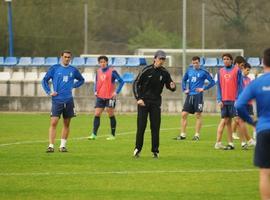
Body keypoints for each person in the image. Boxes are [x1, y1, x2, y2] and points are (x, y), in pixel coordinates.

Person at [236, 48, 270, 200]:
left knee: (264, 172)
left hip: (263, 129)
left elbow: (239, 104)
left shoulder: (257, 83)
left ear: (263, 62)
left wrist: (252, 122)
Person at [133, 50, 176, 158]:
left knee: (155, 127)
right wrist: (138, 98)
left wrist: (173, 86)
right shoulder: (146, 70)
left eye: (163, 59)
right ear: (155, 59)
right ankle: (137, 149)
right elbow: (136, 83)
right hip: (143, 102)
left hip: (156, 103)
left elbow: (170, 85)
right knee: (141, 127)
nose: (161, 61)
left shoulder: (165, 72)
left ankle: (155, 151)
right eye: (160, 58)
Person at [42, 50, 85, 153]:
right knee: (54, 122)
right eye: (65, 57)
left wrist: (74, 85)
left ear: (71, 58)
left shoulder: (73, 70)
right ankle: (51, 146)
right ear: (61, 57)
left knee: (66, 123)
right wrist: (49, 92)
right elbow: (44, 80)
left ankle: (62, 146)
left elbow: (81, 80)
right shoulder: (54, 68)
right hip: (57, 100)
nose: (67, 59)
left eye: (69, 57)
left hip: (69, 100)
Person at [174, 56, 215, 141]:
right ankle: (182, 135)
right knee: (184, 114)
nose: (195, 64)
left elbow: (212, 82)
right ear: (192, 63)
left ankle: (197, 135)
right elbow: (184, 80)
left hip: (198, 96)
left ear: (199, 63)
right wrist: (185, 89)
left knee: (198, 115)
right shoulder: (189, 70)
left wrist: (203, 88)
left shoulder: (204, 72)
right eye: (193, 63)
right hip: (190, 95)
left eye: (196, 63)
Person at [88, 55, 124, 140]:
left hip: (110, 97)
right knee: (97, 114)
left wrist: (116, 92)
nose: (102, 63)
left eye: (104, 62)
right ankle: (94, 134)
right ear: (99, 63)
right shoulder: (98, 71)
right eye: (101, 62)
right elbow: (96, 82)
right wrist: (95, 90)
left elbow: (121, 81)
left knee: (110, 114)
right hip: (100, 96)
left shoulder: (112, 71)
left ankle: (112, 135)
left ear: (107, 62)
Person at [214, 53, 243, 150]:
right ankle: (231, 143)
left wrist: (238, 99)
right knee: (227, 122)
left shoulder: (237, 70)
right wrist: (219, 99)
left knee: (238, 120)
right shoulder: (220, 71)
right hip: (224, 101)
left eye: (227, 59)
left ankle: (245, 142)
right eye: (224, 59)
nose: (225, 61)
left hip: (234, 100)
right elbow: (219, 86)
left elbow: (240, 86)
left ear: (231, 60)